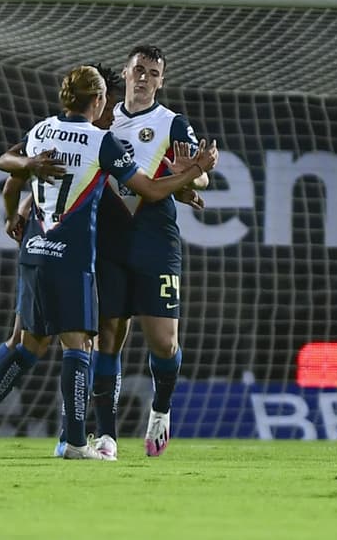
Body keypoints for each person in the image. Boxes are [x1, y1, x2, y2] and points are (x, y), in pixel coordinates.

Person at [0, 65, 216, 460]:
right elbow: (144, 188)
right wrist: (194, 172)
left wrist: (15, 213)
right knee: (79, 345)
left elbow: (11, 174)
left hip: (34, 250)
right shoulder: (101, 142)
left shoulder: (42, 130)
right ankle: (73, 441)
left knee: (26, 343)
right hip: (71, 255)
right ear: (99, 101)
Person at [92, 44, 209, 459]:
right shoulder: (101, 118)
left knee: (163, 342)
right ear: (124, 72)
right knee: (108, 335)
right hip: (108, 238)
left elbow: (202, 177)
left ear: (162, 81)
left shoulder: (172, 123)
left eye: (153, 73)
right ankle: (106, 436)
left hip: (156, 239)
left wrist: (188, 180)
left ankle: (160, 411)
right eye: (138, 69)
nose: (144, 78)